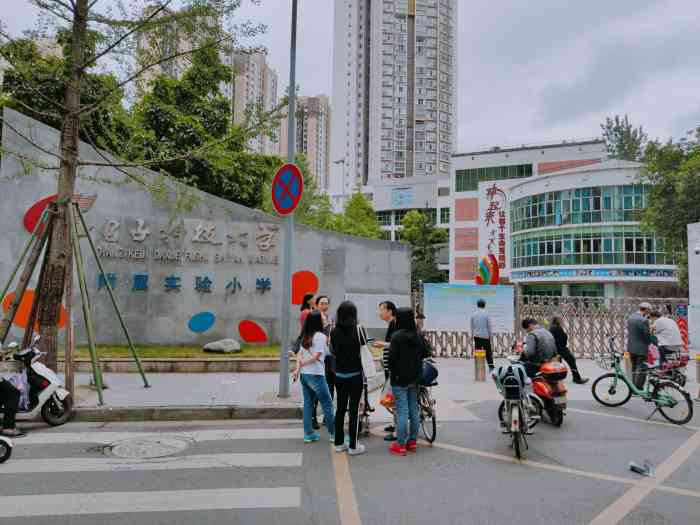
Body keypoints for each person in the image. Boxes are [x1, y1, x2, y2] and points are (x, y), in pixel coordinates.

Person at [330, 300, 366, 456]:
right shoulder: (359, 330)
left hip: (339, 375)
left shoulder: (333, 331)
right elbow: (364, 350)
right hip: (355, 375)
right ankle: (353, 445)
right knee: (354, 410)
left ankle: (339, 443)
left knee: (340, 409)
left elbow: (332, 351)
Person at [292, 311, 335, 443]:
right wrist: (302, 365)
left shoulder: (306, 335)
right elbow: (316, 356)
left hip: (305, 375)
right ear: (317, 321)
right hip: (316, 374)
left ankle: (308, 434)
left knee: (308, 404)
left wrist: (298, 369)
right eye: (322, 318)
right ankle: (334, 434)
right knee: (327, 404)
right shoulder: (321, 336)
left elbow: (299, 354)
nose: (324, 319)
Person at [387, 307, 423, 456]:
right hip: (414, 378)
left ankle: (401, 444)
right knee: (414, 410)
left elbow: (391, 359)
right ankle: (412, 442)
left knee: (402, 411)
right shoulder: (417, 336)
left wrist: (393, 374)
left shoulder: (396, 336)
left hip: (399, 379)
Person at [373, 301, 397, 440]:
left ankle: (397, 428)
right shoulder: (391, 323)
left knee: (393, 397)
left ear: (390, 311)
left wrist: (383, 344)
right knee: (392, 396)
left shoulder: (394, 323)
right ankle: (395, 423)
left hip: (393, 366)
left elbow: (395, 343)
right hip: (389, 365)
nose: (380, 312)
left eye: (382, 309)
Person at [313, 295, 335, 430]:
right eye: (321, 303)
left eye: (326, 303)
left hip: (329, 357)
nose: (324, 306)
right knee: (316, 389)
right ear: (317, 305)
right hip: (316, 359)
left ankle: (327, 417)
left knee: (330, 386)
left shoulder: (331, 319)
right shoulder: (313, 319)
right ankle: (313, 417)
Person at [548, 315, 589, 384]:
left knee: (558, 364)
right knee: (571, 360)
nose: (562, 320)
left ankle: (557, 378)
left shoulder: (552, 327)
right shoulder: (557, 328)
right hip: (561, 348)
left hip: (555, 348)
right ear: (558, 320)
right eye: (561, 319)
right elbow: (562, 339)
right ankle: (577, 378)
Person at [627, 302, 653, 389]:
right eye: (649, 310)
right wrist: (651, 342)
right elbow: (646, 335)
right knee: (642, 368)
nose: (649, 313)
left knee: (634, 366)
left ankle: (632, 386)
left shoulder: (630, 317)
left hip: (631, 346)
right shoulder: (643, 320)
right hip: (641, 348)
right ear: (645, 310)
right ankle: (638, 387)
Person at [470, 299, 494, 370]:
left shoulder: (473, 315)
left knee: (478, 352)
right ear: (484, 305)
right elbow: (489, 326)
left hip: (477, 336)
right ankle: (491, 367)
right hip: (485, 337)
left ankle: (479, 368)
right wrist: (491, 337)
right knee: (488, 353)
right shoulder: (487, 314)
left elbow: (472, 327)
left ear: (477, 305)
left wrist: (472, 336)